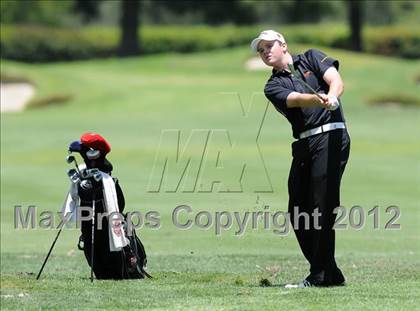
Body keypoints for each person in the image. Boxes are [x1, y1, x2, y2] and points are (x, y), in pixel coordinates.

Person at [251, 30, 351, 287]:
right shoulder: (272, 86)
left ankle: (320, 275)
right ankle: (330, 271)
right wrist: (319, 100)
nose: (265, 52)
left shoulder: (311, 58)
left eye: (268, 46)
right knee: (297, 209)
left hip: (332, 137)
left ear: (283, 44)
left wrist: (333, 95)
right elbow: (295, 100)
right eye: (260, 50)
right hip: (306, 143)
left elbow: (336, 80)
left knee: (322, 205)